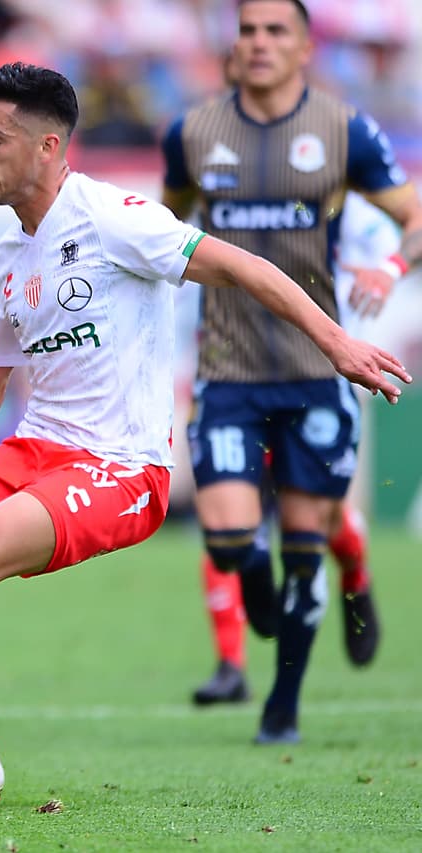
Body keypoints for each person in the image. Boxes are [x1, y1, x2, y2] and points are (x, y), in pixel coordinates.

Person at [0, 60, 408, 805]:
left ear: (48, 146)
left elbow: (242, 267)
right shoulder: (8, 256)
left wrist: (336, 343)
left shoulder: (115, 218)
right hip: (33, 450)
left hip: (121, 466)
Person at [161, 0, 422, 739]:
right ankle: (256, 579)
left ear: (306, 47)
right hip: (228, 370)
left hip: (317, 369)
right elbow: (163, 228)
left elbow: (414, 216)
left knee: (305, 548)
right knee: (228, 538)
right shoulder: (192, 134)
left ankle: (283, 708)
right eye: (248, 30)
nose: (259, 42)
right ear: (234, 45)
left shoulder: (344, 131)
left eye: (276, 30)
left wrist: (392, 266)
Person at [191, 189, 403, 706]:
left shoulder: (343, 203)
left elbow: (394, 242)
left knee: (314, 518)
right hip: (237, 381)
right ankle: (230, 664)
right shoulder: (225, 191)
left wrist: (386, 271)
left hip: (317, 380)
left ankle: (354, 571)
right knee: (228, 523)